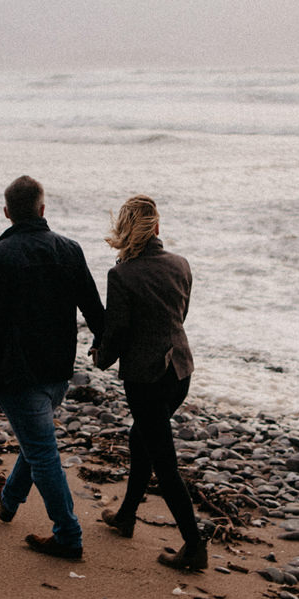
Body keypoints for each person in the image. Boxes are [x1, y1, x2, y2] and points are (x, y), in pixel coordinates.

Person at [0, 174, 105, 560]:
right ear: (43, 209)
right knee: (38, 440)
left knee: (42, 449)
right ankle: (10, 497)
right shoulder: (69, 249)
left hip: (18, 372)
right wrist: (104, 345)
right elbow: (93, 308)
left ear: (6, 213)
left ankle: (68, 535)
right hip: (57, 368)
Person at [90, 194, 205, 572]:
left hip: (146, 379)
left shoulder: (121, 275)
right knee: (141, 438)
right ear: (157, 227)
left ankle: (194, 546)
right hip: (180, 372)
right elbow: (180, 314)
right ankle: (125, 516)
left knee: (163, 461)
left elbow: (118, 330)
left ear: (126, 231)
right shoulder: (180, 264)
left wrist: (100, 357)